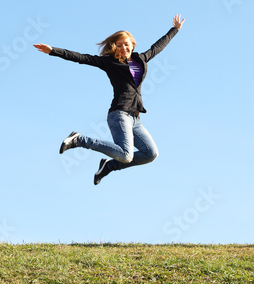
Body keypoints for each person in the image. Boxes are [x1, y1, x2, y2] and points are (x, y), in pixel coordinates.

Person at [34, 14, 185, 185]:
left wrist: (175, 29)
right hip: (119, 114)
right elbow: (81, 58)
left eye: (126, 44)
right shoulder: (109, 63)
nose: (123, 48)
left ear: (132, 45)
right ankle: (79, 139)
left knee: (151, 154)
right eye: (119, 45)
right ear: (114, 47)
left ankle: (109, 166)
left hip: (136, 118)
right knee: (126, 155)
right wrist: (53, 51)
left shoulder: (141, 59)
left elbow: (159, 46)